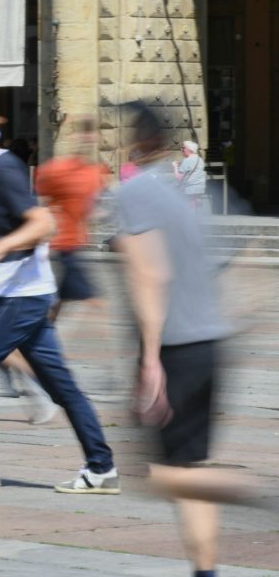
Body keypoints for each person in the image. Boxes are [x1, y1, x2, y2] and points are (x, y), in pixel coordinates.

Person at [0, 90, 118, 496]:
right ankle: (101, 468)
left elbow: (42, 224)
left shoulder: (3, 168)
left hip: (22, 295)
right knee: (62, 388)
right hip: (25, 293)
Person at [115, 103, 269, 577]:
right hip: (209, 345)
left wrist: (150, 362)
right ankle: (206, 571)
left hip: (173, 350)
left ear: (136, 141)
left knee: (152, 476)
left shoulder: (134, 192)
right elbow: (248, 255)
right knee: (190, 470)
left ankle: (253, 492)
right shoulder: (194, 194)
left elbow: (149, 274)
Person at [35, 116, 109, 321]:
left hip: (75, 241)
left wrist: (97, 213)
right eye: (82, 133)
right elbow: (40, 203)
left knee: (60, 298)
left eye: (90, 134)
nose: (86, 139)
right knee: (91, 297)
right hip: (59, 242)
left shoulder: (95, 174)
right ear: (72, 137)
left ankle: (45, 328)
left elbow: (90, 207)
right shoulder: (55, 170)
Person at [172, 140, 206, 209]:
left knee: (188, 207)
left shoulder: (187, 160)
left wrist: (175, 166)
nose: (181, 149)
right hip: (199, 187)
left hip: (189, 189)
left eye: (183, 148)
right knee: (193, 206)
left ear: (190, 149)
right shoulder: (200, 160)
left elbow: (178, 178)